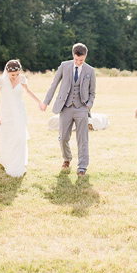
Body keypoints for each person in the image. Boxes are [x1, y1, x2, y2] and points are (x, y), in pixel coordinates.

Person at [40, 43, 96, 177]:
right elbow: (54, 85)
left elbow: (92, 92)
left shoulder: (90, 71)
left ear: (85, 57)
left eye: (81, 60)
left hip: (81, 108)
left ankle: (82, 167)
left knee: (83, 139)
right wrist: (45, 102)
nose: (78, 62)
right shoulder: (64, 66)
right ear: (73, 55)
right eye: (76, 60)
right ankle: (67, 158)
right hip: (65, 107)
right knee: (63, 137)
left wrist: (88, 106)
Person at [0, 60, 42, 178]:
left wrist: (39, 101)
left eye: (17, 74)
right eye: (12, 75)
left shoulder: (22, 79)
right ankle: (7, 160)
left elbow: (27, 91)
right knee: (7, 137)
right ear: (7, 72)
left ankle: (18, 163)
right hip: (6, 113)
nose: (15, 77)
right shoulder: (0, 81)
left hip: (20, 112)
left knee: (20, 137)